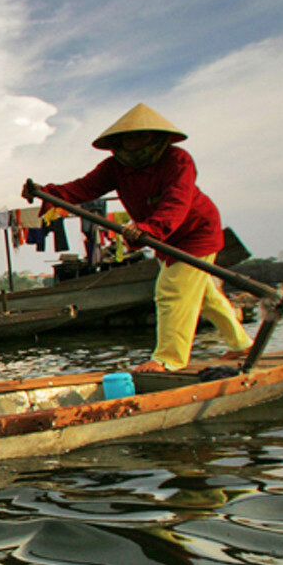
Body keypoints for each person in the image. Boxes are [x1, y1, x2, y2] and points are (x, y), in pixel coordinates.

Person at [24, 103, 252, 372]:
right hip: (162, 237)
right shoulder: (115, 167)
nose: (133, 144)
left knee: (172, 291)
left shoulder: (178, 160)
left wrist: (150, 229)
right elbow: (84, 188)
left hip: (195, 232)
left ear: (156, 138)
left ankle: (169, 360)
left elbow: (176, 202)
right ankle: (242, 345)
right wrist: (49, 193)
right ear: (118, 143)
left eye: (140, 137)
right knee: (204, 294)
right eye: (128, 138)